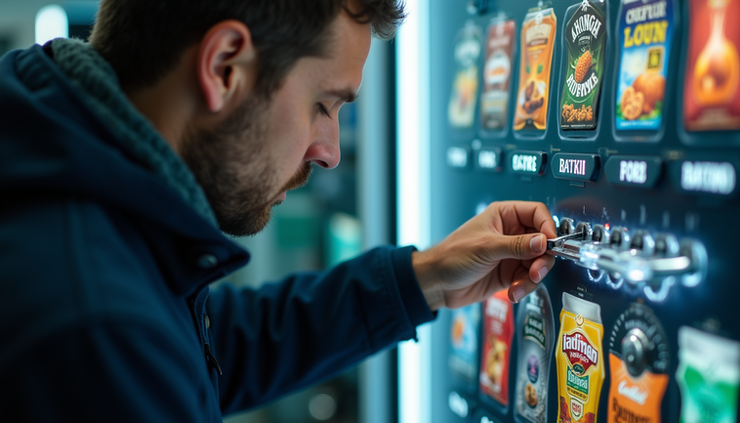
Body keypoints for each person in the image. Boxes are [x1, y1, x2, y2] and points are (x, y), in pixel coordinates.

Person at [0, 0, 556, 421]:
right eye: (323, 106)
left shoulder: (67, 159)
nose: (331, 153)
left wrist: (426, 279)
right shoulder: (95, 332)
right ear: (224, 67)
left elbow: (213, 345)